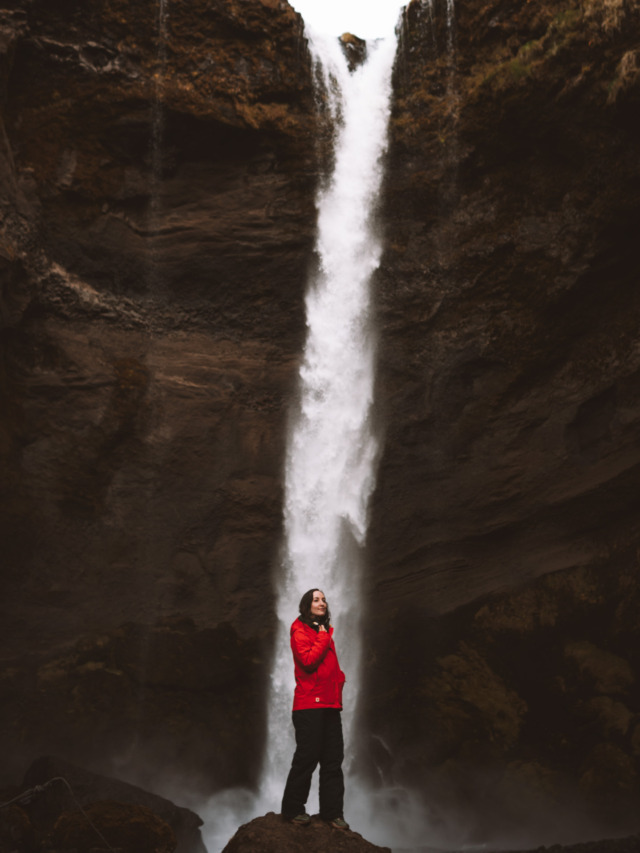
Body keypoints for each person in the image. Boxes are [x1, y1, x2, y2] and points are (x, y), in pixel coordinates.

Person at [280, 588, 349, 830]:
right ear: (306, 605)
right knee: (307, 758)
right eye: (316, 600)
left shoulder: (322, 631)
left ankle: (333, 813)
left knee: (333, 760)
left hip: (330, 704)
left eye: (324, 599)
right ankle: (292, 809)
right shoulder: (300, 631)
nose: (322, 603)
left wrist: (339, 678)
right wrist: (323, 637)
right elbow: (308, 662)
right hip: (309, 705)